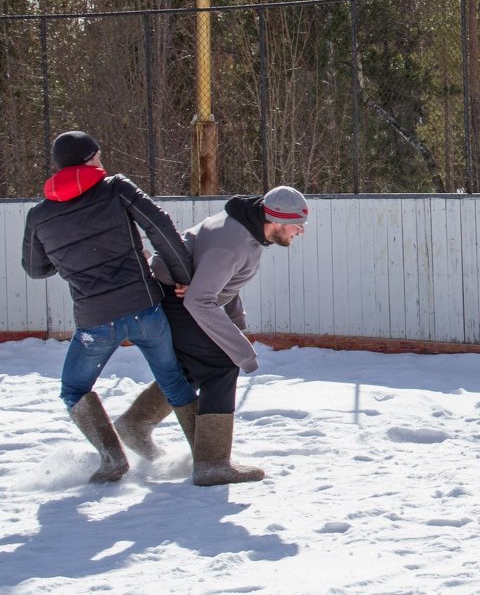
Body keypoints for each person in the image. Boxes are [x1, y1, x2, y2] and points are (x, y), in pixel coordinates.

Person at [21, 130, 196, 483]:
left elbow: (35, 268)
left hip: (94, 323)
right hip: (145, 310)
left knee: (73, 389)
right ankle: (207, 457)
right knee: (174, 381)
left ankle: (112, 457)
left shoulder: (39, 215)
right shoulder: (117, 188)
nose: (102, 162)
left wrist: (69, 256)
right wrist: (185, 275)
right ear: (89, 159)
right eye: (98, 156)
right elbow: (160, 228)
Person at [151, 185, 308, 486]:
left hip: (178, 297)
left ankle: (135, 424)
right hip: (175, 300)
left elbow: (221, 283)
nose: (300, 231)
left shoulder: (246, 231)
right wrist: (242, 350)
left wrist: (234, 318)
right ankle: (212, 465)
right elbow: (199, 300)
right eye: (297, 224)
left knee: (192, 368)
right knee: (221, 366)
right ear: (276, 219)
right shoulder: (235, 242)